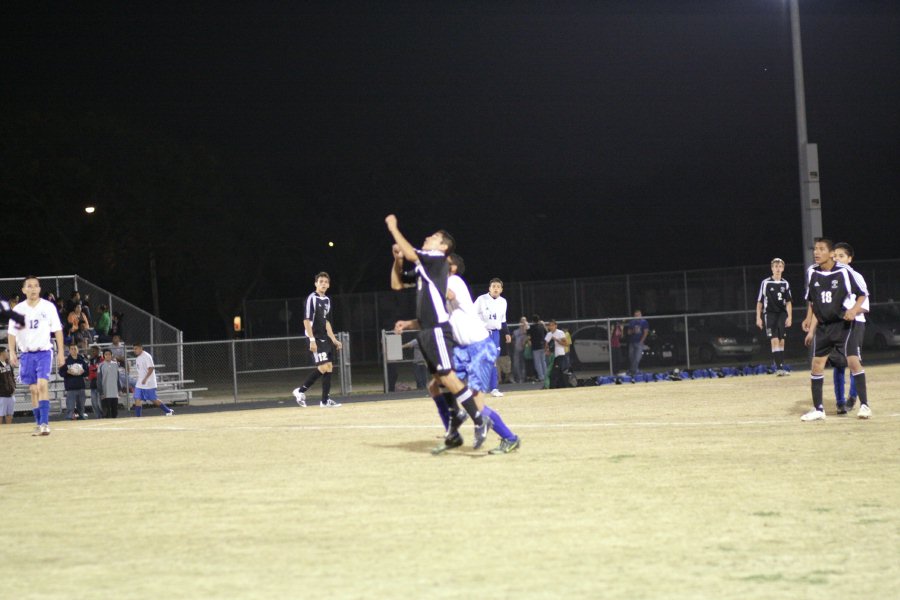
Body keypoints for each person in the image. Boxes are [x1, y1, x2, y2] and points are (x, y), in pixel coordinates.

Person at [386, 214, 488, 454]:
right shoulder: (425, 268)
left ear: (443, 247)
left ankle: (479, 419)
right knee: (439, 382)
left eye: (433, 237)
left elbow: (412, 253)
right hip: (426, 331)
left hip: (439, 330)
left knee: (447, 375)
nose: (427, 238)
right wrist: (397, 260)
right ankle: (454, 428)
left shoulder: (436, 259)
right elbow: (397, 284)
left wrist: (394, 228)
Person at [445, 253, 520, 454]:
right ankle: (477, 420)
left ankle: (508, 437)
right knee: (454, 388)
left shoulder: (453, 282)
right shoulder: (448, 286)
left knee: (474, 402)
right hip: (466, 348)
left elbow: (447, 294)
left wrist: (428, 280)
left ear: (452, 268)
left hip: (478, 345)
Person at [800, 238, 870, 421]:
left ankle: (864, 405)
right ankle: (819, 409)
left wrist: (853, 310)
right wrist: (809, 320)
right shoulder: (812, 272)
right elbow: (812, 300)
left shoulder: (845, 272)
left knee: (853, 362)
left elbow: (863, 294)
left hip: (843, 326)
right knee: (817, 365)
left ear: (831, 254)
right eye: (815, 249)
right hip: (824, 326)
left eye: (821, 249)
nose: (816, 252)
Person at [8, 277, 65, 435]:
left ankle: (45, 424)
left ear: (39, 289)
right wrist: (12, 351)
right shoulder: (19, 309)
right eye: (29, 286)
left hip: (44, 352)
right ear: (24, 290)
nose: (33, 289)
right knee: (33, 390)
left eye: (36, 286)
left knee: (42, 386)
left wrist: (61, 352)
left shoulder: (48, 307)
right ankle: (38, 422)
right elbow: (12, 333)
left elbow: (58, 330)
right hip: (26, 355)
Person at [292, 272, 344, 408]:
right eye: (320, 281)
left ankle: (325, 401)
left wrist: (333, 339)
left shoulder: (326, 300)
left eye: (326, 282)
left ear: (329, 284)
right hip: (314, 337)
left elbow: (325, 321)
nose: (323, 284)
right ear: (316, 283)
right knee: (323, 367)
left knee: (329, 368)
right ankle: (300, 391)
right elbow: (306, 320)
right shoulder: (312, 298)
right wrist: (312, 340)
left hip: (323, 338)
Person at [831, 242, 869, 415]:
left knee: (854, 362)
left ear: (849, 259)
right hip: (836, 326)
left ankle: (853, 398)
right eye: (835, 256)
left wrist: (851, 311)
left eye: (841, 256)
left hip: (855, 324)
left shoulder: (856, 276)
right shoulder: (830, 277)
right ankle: (840, 402)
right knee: (838, 363)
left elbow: (865, 305)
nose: (837, 259)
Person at [755, 258, 794, 376]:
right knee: (775, 339)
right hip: (770, 314)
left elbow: (788, 302)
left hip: (782, 314)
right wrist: (758, 317)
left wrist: (789, 317)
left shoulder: (785, 283)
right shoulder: (766, 283)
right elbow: (760, 302)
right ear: (772, 268)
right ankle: (778, 368)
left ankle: (780, 366)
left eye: (780, 266)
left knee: (782, 341)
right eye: (775, 266)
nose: (777, 268)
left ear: (783, 268)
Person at [474, 278, 511, 397]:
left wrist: (507, 333)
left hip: (495, 334)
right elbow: (471, 315)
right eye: (493, 286)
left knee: (493, 361)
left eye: (498, 287)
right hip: (482, 333)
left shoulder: (503, 302)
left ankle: (494, 389)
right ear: (489, 288)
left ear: (501, 289)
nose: (496, 288)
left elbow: (503, 320)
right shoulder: (481, 299)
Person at [132, 343, 174, 417]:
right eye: (134, 349)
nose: (134, 350)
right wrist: (141, 379)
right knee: (137, 398)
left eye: (136, 348)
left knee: (153, 399)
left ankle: (168, 410)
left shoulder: (147, 356)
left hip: (149, 382)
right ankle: (138, 417)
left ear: (141, 348)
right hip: (140, 383)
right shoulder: (138, 358)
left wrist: (145, 378)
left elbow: (151, 368)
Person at [59, 343, 89, 420]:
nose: (73, 350)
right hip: (70, 387)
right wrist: (67, 372)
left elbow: (87, 372)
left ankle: (81, 416)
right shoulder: (66, 361)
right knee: (70, 406)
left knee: (81, 405)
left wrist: (83, 372)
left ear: (77, 350)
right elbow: (61, 373)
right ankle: (69, 417)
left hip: (80, 386)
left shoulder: (82, 361)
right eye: (71, 349)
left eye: (75, 349)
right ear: (69, 351)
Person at [544, 319, 571, 389]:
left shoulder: (560, 333)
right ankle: (563, 386)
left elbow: (566, 344)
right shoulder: (549, 334)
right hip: (552, 356)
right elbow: (546, 345)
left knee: (554, 373)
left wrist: (557, 340)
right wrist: (547, 350)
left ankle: (552, 387)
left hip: (560, 355)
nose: (551, 327)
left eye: (552, 325)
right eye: (549, 325)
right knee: (559, 372)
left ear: (556, 326)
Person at [96, 349, 120, 418]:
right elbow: (99, 380)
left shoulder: (115, 365)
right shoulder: (101, 365)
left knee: (115, 412)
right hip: (105, 393)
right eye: (106, 354)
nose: (108, 356)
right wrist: (101, 392)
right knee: (106, 413)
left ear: (111, 355)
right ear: (103, 356)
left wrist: (119, 389)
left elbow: (117, 378)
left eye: (109, 354)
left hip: (114, 393)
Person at [627, 309, 650, 375]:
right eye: (636, 315)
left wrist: (641, 341)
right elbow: (628, 332)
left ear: (641, 315)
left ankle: (632, 372)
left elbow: (646, 332)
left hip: (639, 342)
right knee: (631, 357)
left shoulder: (644, 322)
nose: (637, 316)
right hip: (632, 342)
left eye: (638, 315)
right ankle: (634, 370)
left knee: (637, 358)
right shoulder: (632, 322)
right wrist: (633, 331)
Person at [528, 314, 548, 384]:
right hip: (542, 346)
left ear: (533, 321)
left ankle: (541, 377)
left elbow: (527, 334)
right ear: (539, 320)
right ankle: (546, 376)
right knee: (543, 361)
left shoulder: (531, 328)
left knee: (538, 363)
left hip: (535, 347)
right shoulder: (541, 327)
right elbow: (546, 333)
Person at [0, 346, 16, 425]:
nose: (7, 353)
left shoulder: (8, 364)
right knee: (0, 414)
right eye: (6, 352)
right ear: (2, 353)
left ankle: (8, 429)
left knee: (9, 414)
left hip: (10, 394)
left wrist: (14, 387)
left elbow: (12, 376)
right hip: (1, 395)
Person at [87, 345, 104, 417]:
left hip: (100, 384)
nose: (93, 352)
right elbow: (90, 372)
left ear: (98, 351)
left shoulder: (102, 360)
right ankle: (98, 417)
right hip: (93, 384)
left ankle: (104, 416)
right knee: (94, 403)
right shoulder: (90, 361)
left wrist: (94, 370)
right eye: (92, 351)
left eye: (94, 350)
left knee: (100, 403)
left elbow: (100, 371)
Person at [511, 316, 528, 383]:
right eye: (522, 321)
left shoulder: (528, 330)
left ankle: (524, 378)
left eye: (524, 321)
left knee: (524, 364)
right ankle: (519, 378)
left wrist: (526, 330)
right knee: (516, 364)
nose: (523, 322)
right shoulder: (516, 331)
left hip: (526, 350)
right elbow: (512, 339)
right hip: (517, 349)